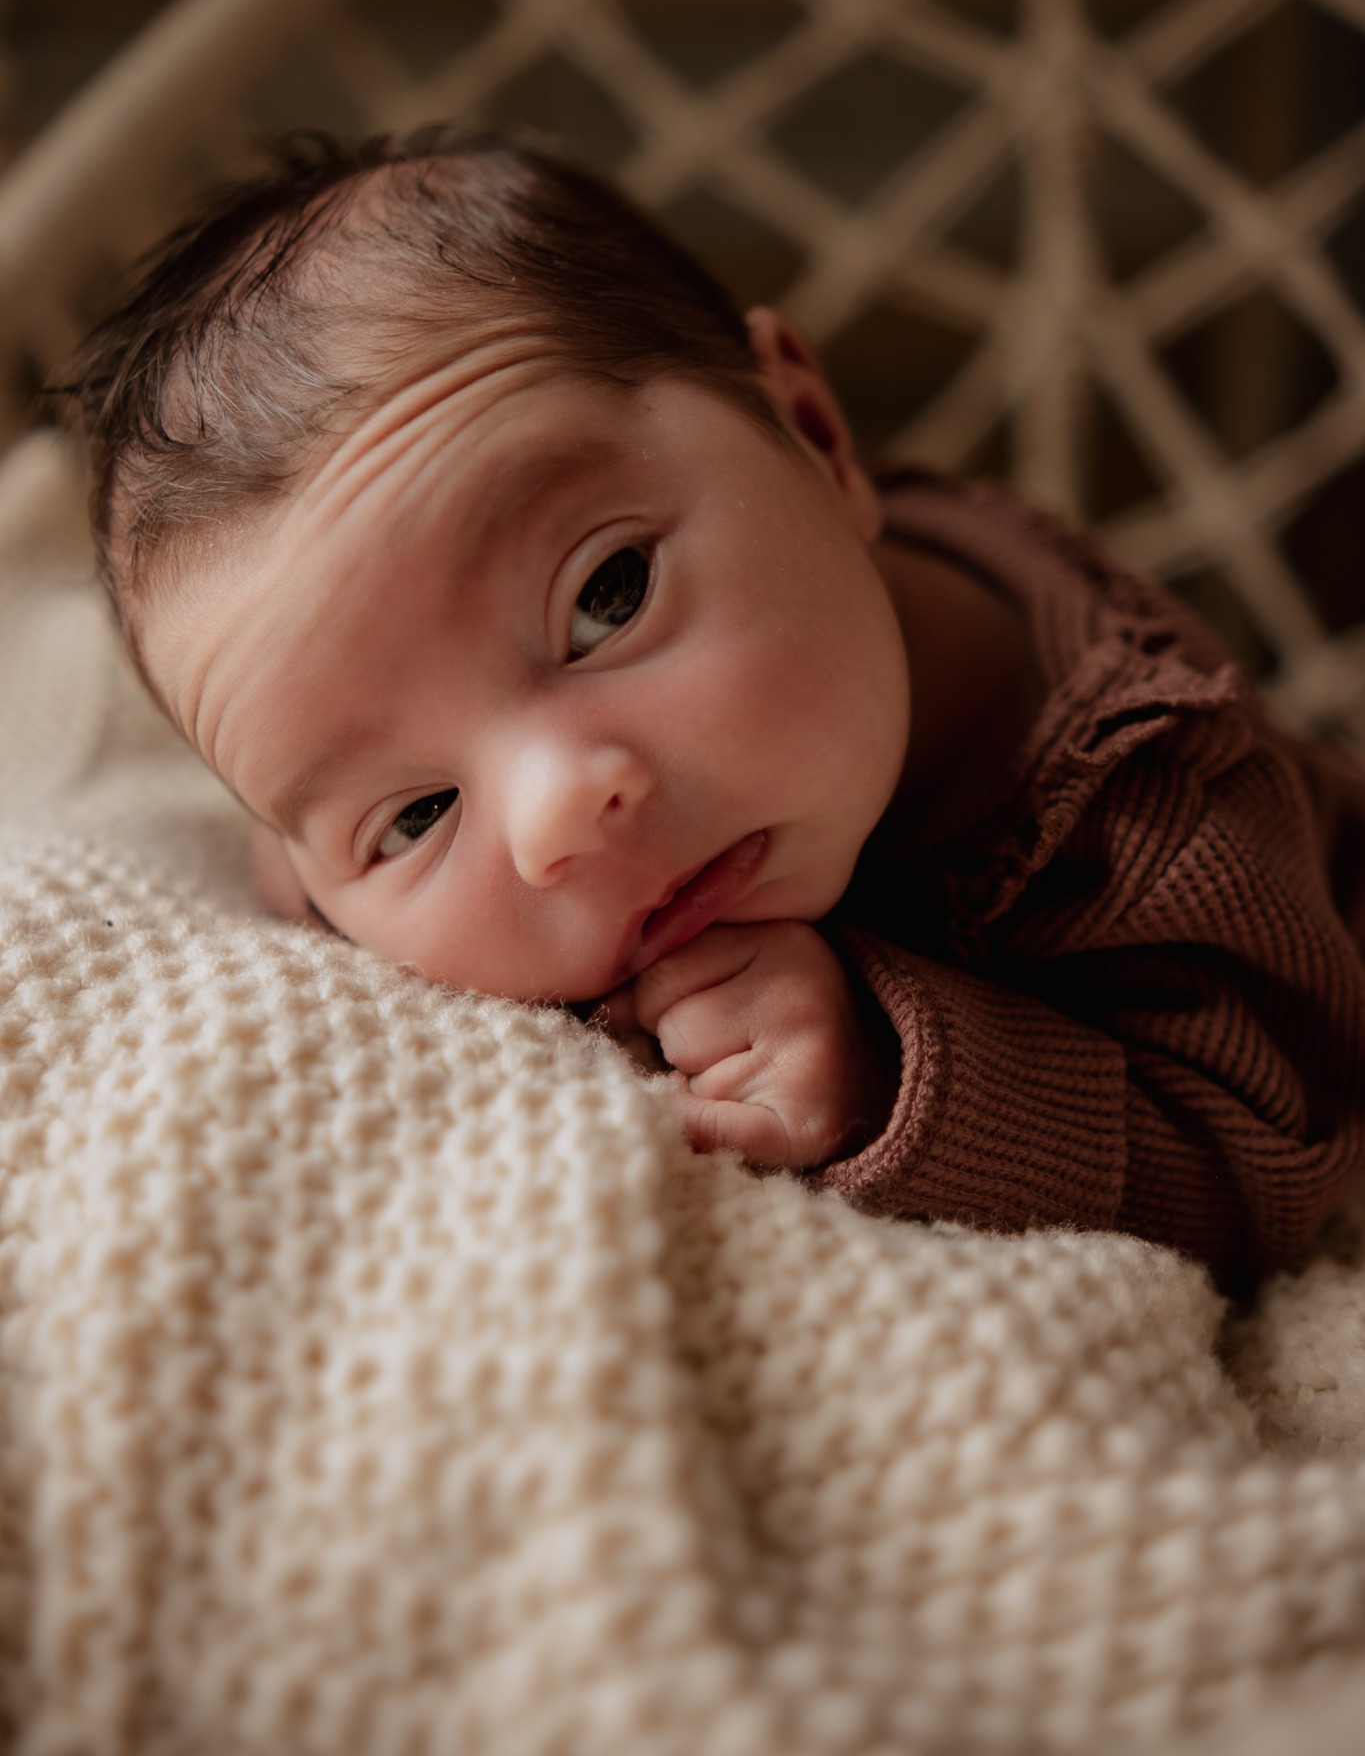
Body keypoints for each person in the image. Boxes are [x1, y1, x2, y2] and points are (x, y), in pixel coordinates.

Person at [63, 126, 1365, 1294]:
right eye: (414, 814)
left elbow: (1260, 1150)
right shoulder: (372, 826)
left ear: (808, 428)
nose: (556, 814)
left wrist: (885, 1068)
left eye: (606, 597)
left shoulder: (1157, 808)